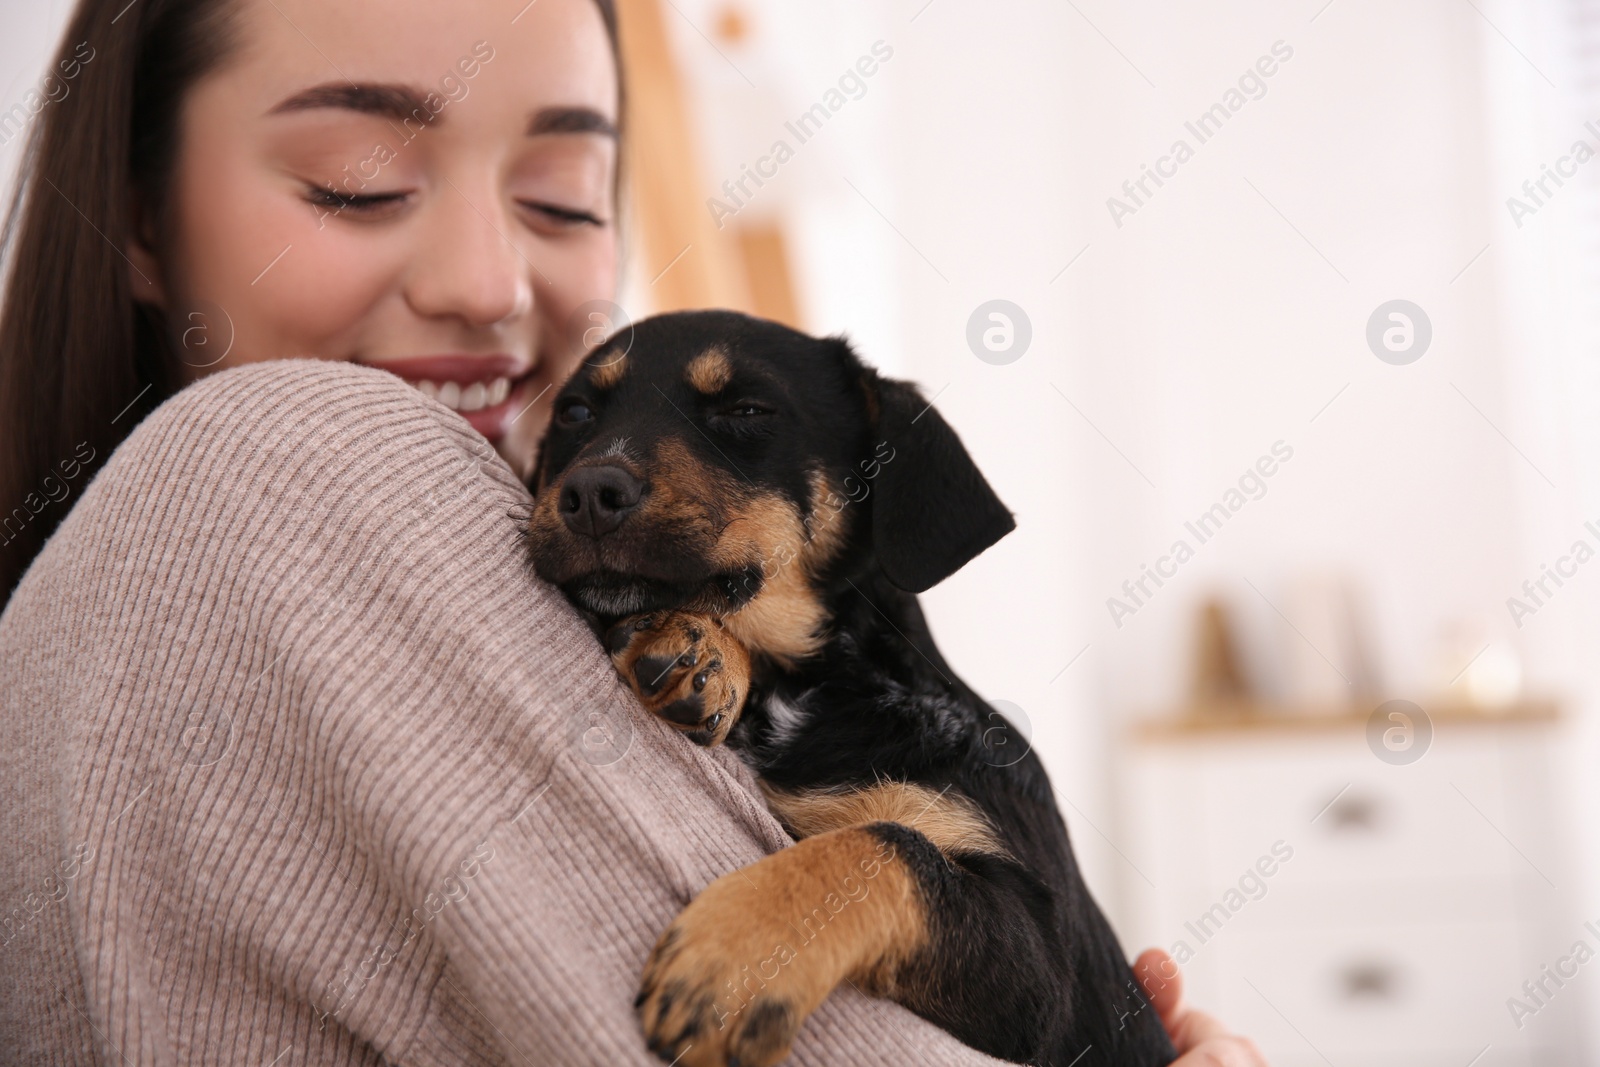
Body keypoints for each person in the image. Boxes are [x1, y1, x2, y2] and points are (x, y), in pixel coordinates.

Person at [0, 0, 1267, 1063]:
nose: (490, 283)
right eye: (359, 180)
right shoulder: (298, 462)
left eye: (560, 197)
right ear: (136, 218)